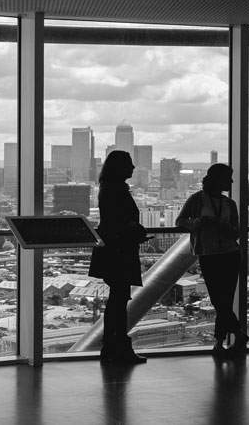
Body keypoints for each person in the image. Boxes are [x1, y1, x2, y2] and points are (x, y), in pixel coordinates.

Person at [175, 163, 247, 357]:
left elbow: (236, 231)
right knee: (219, 300)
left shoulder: (229, 204)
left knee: (223, 300)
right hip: (211, 254)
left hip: (227, 254)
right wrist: (199, 223)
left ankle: (219, 342)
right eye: (228, 178)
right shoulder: (197, 200)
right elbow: (180, 221)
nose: (231, 181)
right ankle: (237, 333)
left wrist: (222, 227)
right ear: (218, 180)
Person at [89, 150, 149, 365]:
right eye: (130, 164)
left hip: (113, 249)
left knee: (117, 300)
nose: (133, 168)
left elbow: (112, 220)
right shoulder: (117, 190)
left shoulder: (108, 188)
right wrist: (134, 230)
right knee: (119, 300)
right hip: (120, 251)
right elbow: (119, 220)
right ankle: (118, 347)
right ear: (120, 168)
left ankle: (111, 347)